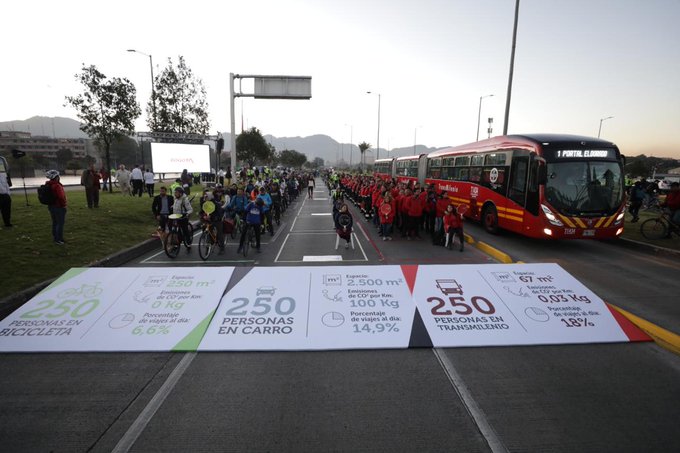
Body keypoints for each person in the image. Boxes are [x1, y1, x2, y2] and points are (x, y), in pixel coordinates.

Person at [45, 170, 67, 245]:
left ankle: (55, 237)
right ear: (56, 177)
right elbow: (61, 196)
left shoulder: (48, 184)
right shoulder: (57, 186)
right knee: (60, 223)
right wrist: (64, 204)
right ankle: (58, 239)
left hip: (51, 206)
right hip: (59, 207)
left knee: (55, 222)